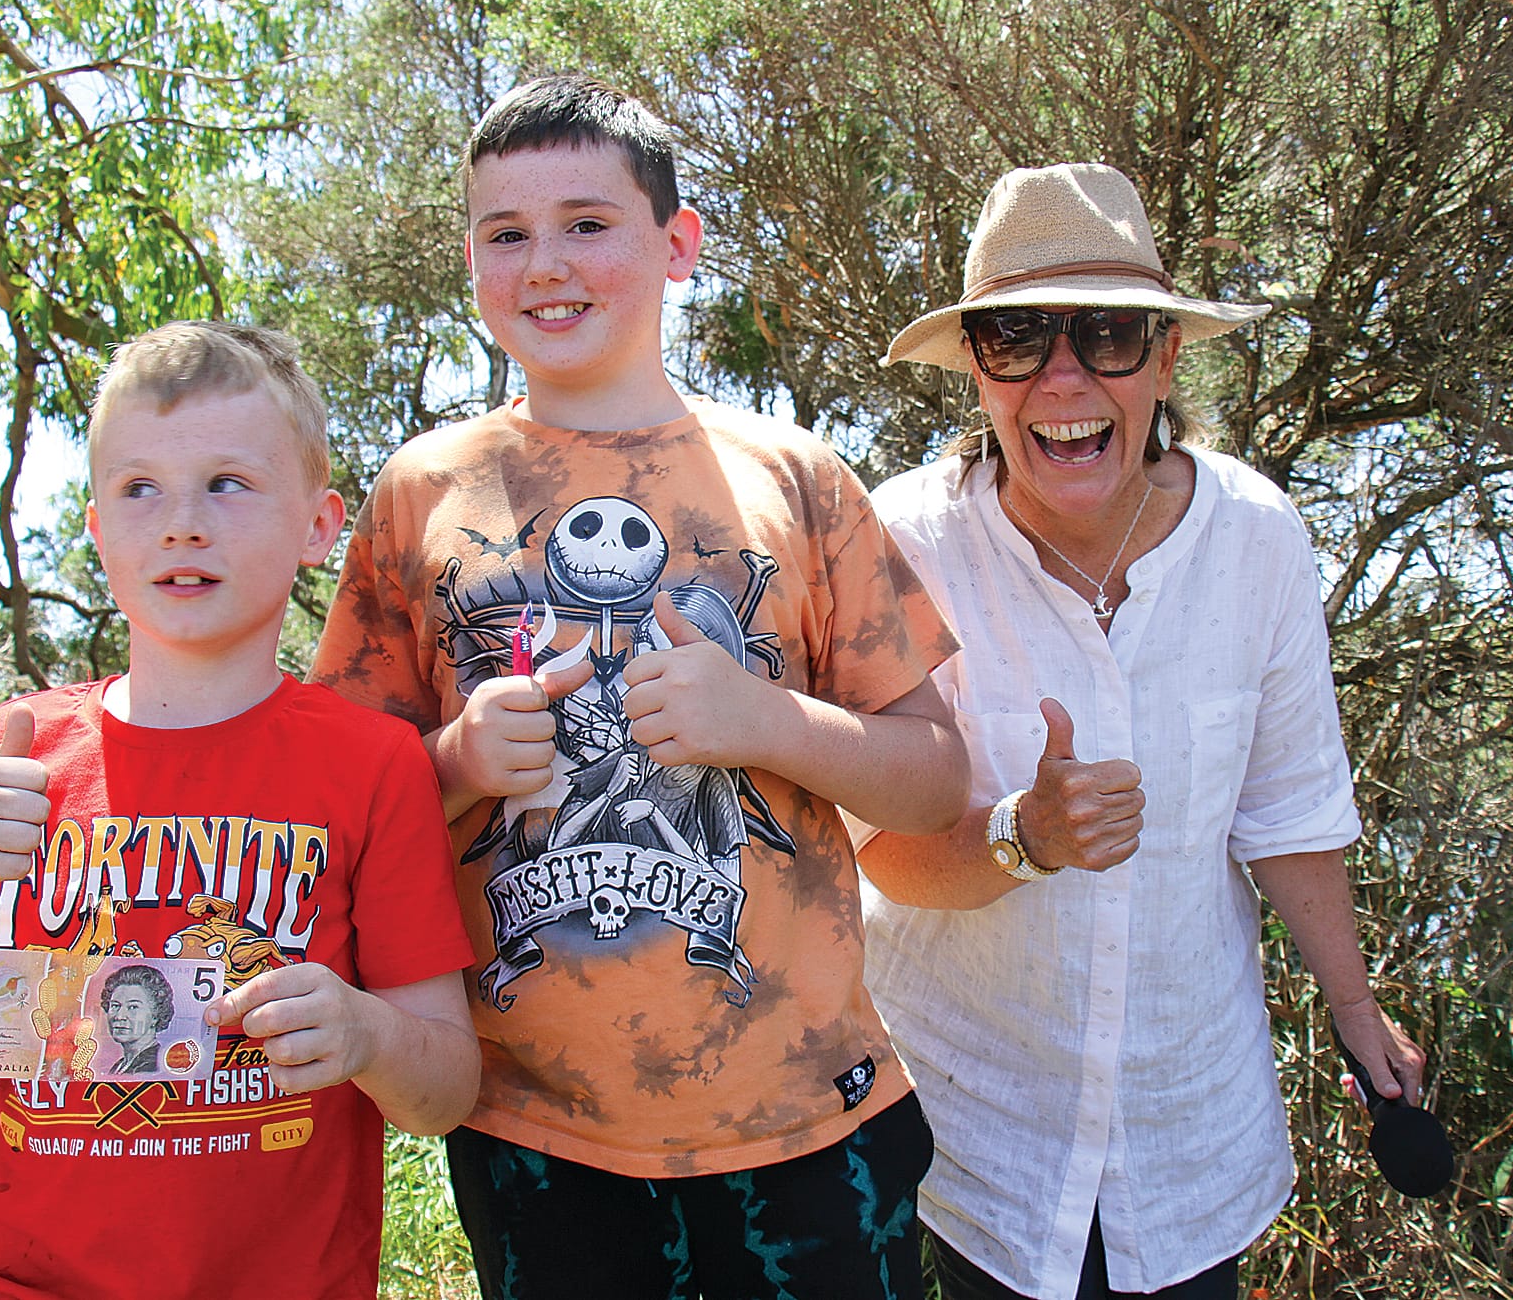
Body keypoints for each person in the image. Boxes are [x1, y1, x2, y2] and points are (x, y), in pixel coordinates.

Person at [311, 75, 970, 1300]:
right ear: (469, 259)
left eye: (586, 223)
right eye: (504, 233)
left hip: (815, 1127)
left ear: (677, 246)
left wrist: (766, 722)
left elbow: (936, 779)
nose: (544, 262)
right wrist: (454, 764)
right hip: (532, 1135)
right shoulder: (418, 491)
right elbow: (331, 812)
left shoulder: (798, 479)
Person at [854, 164, 1428, 1300]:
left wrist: (1356, 1015)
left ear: (1165, 359)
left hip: (1186, 1142)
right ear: (975, 369)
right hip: (960, 1152)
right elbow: (871, 853)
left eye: (1109, 334)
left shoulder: (1256, 537)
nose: (1062, 377)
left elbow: (1289, 810)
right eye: (1016, 337)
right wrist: (1023, 836)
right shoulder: (901, 541)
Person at [0, 321, 480, 1299]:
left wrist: (363, 1033)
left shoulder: (372, 764)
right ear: (96, 529)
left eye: (227, 483)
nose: (181, 523)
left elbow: (444, 1090)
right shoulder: (12, 750)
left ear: (318, 527)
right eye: (138, 487)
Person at [97, 962, 172, 1073]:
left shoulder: (154, 1066)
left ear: (155, 1015)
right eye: (115, 1006)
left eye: (133, 1007)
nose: (119, 1016)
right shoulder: (119, 1066)